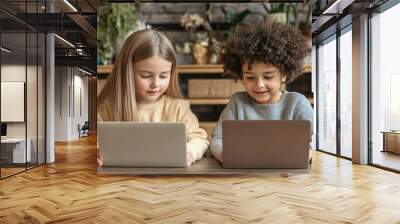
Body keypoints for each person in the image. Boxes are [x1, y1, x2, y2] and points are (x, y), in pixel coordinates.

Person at [97, 29, 209, 167]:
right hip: (121, 181)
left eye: (163, 76)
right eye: (146, 76)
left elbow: (199, 139)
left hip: (168, 180)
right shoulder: (108, 107)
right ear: (127, 72)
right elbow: (93, 141)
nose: (155, 84)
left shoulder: (178, 108)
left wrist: (190, 153)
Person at [210, 22, 313, 163]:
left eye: (268, 77)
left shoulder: (297, 103)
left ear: (284, 75)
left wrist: (307, 153)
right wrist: (224, 154)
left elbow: (314, 141)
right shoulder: (237, 103)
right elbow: (217, 139)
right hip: (244, 175)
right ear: (241, 75)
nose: (259, 85)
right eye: (250, 77)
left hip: (288, 176)